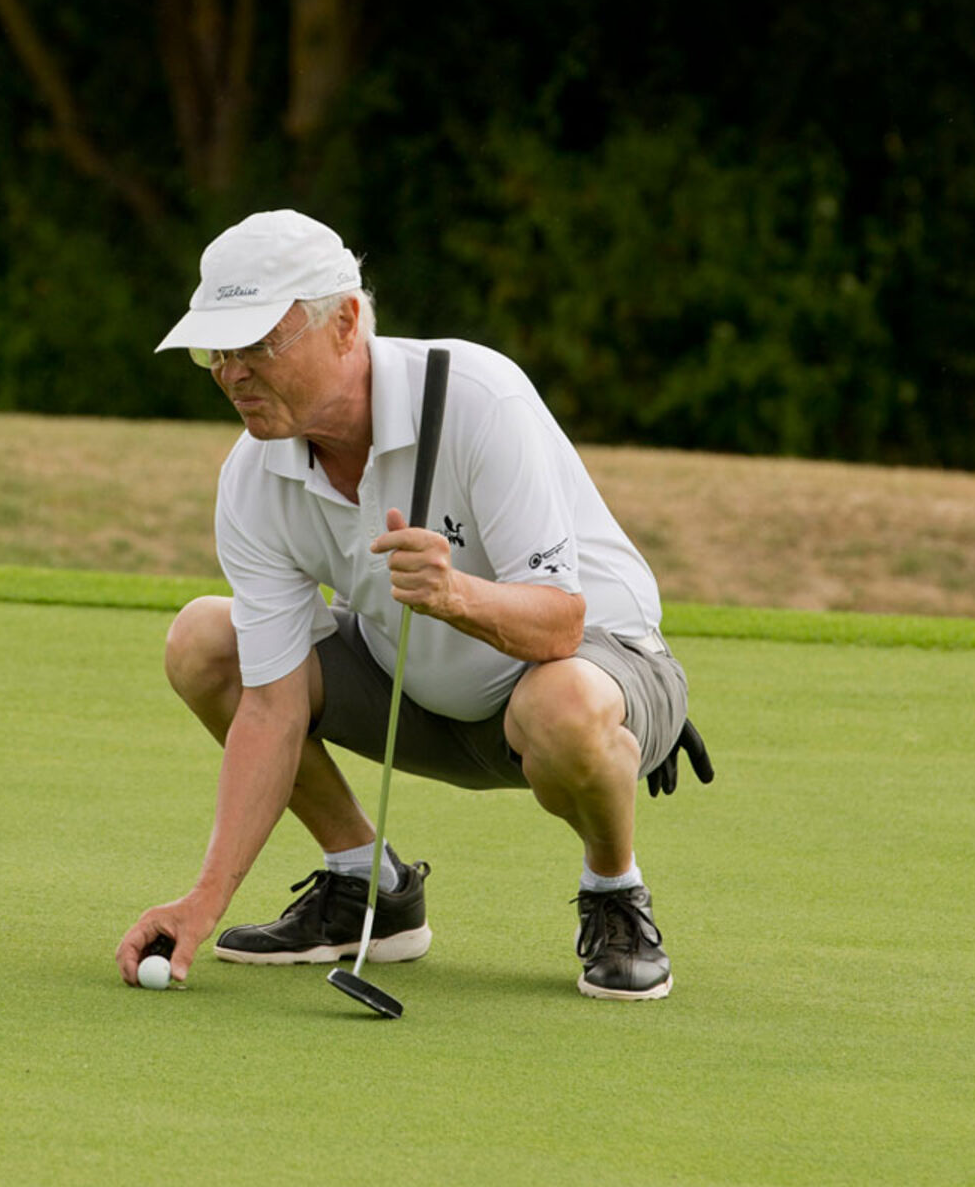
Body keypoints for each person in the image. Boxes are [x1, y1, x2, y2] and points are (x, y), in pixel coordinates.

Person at [115, 209, 709, 1001]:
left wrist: (455, 593)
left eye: (256, 343)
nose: (231, 373)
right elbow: (271, 707)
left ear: (345, 322)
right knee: (203, 641)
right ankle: (367, 885)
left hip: (592, 668)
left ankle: (614, 890)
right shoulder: (252, 478)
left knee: (562, 704)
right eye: (215, 351)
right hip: (416, 696)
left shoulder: (477, 396)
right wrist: (203, 900)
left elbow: (562, 619)